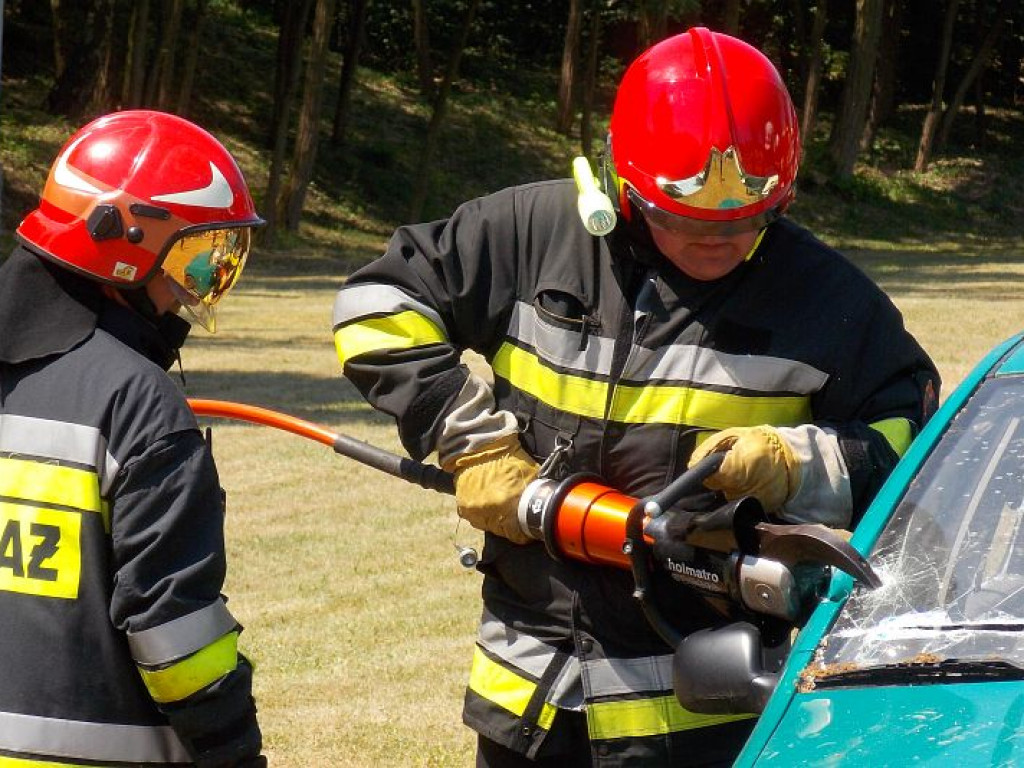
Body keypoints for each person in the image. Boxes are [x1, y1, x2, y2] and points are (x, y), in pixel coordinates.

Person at [331, 28, 940, 767]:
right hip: (530, 699)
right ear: (621, 187)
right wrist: (472, 440)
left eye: (746, 222)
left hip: (712, 712)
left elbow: (915, 444)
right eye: (684, 221)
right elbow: (374, 305)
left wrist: (798, 463)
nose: (717, 244)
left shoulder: (830, 301)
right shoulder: (530, 234)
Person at [0, 110, 266, 767]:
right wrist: (234, 750)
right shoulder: (138, 406)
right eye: (199, 260)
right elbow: (178, 641)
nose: (198, 289)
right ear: (125, 238)